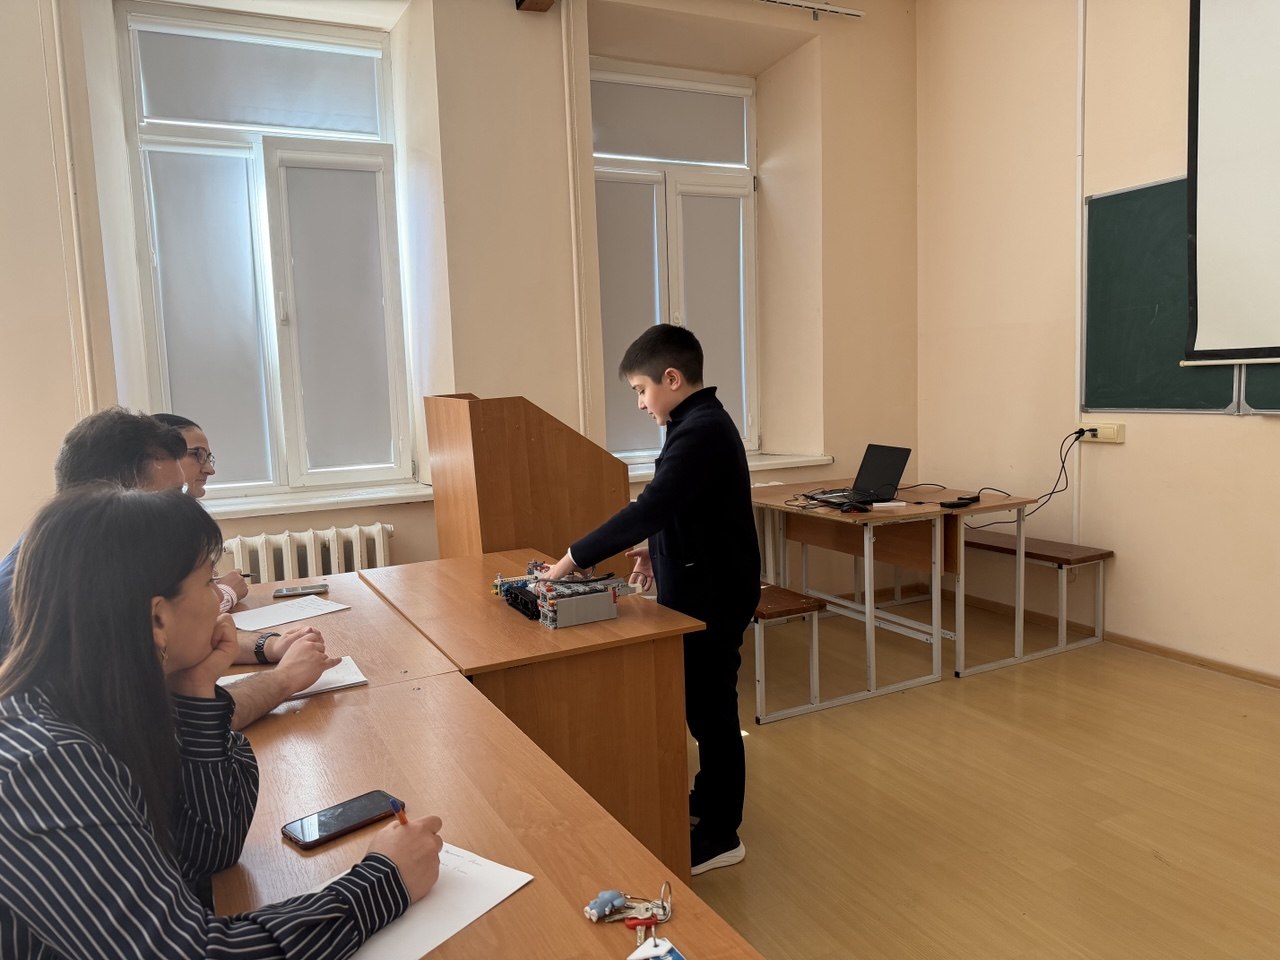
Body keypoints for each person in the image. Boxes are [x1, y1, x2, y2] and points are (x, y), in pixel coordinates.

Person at [0, 484, 444, 957]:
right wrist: (383, 882)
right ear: (157, 619)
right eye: (209, 582)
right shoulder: (42, 763)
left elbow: (208, 853)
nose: (219, 601)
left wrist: (197, 690)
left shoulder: (105, 703)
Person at [542, 325, 760, 875]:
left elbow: (653, 505)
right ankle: (707, 799)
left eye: (641, 389)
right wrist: (651, 551)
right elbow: (683, 508)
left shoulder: (703, 429)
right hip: (698, 585)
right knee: (702, 707)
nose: (640, 403)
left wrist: (571, 560)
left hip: (715, 595)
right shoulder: (691, 422)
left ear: (672, 378)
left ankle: (722, 834)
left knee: (712, 713)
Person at [0, 408, 330, 731]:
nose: (183, 509)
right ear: (118, 499)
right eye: (172, 496)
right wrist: (283, 680)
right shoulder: (52, 593)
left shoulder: (85, 557)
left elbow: (180, 639)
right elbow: (172, 725)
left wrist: (267, 646)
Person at [153, 413, 248, 609]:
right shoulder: (148, 525)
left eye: (208, 457)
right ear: (159, 458)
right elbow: (176, 616)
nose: (210, 470)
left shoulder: (182, 516)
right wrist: (227, 593)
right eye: (198, 455)